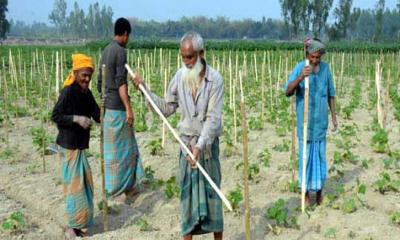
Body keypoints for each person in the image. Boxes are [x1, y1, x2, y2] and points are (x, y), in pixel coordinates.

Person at [132, 31, 224, 240]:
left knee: (213, 201)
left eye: (190, 56)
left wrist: (199, 147)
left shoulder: (215, 80)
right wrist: (144, 90)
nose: (186, 61)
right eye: (183, 56)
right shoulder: (179, 77)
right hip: (186, 147)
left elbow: (213, 119)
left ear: (202, 53)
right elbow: (166, 107)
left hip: (206, 148)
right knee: (187, 202)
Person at [52, 53, 100, 239]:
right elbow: (56, 116)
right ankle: (72, 227)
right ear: (76, 73)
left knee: (85, 185)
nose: (87, 79)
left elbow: (96, 114)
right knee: (74, 188)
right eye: (84, 75)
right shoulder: (68, 92)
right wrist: (77, 119)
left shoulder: (86, 93)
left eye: (89, 75)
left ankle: (80, 225)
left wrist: (104, 111)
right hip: (69, 145)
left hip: (80, 146)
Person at [284, 38, 338, 205]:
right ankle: (306, 194)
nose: (315, 60)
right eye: (312, 57)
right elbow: (287, 91)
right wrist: (301, 77)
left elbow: (331, 94)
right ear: (307, 54)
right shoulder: (301, 68)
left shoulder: (326, 69)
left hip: (320, 124)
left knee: (320, 159)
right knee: (305, 159)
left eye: (318, 58)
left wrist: (334, 116)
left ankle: (320, 192)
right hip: (305, 125)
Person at [98, 17, 143, 202]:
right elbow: (121, 83)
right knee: (126, 150)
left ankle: (117, 187)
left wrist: (105, 100)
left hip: (108, 110)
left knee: (112, 152)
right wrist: (128, 108)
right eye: (128, 35)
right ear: (125, 34)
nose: (128, 39)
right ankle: (122, 190)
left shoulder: (106, 50)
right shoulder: (120, 52)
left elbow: (100, 82)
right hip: (118, 108)